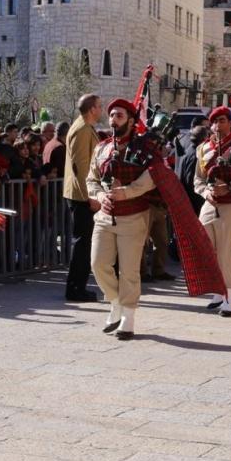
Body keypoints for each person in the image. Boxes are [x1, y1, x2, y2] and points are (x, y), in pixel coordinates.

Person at [88, 99, 157, 340]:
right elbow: (91, 179)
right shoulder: (102, 148)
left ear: (130, 119)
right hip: (105, 215)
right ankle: (115, 301)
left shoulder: (145, 147)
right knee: (98, 263)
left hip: (133, 215)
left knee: (129, 270)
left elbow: (151, 178)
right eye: (111, 115)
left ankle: (128, 316)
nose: (113, 120)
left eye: (119, 115)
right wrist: (99, 194)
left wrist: (126, 192)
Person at [194, 107, 231, 315]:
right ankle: (217, 290)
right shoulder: (203, 148)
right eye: (214, 121)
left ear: (230, 123)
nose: (217, 125)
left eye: (222, 120)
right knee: (207, 250)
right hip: (210, 203)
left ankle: (229, 296)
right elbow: (197, 178)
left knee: (226, 252)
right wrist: (204, 191)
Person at [63, 93, 102, 302]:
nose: (101, 110)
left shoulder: (82, 127)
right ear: (92, 109)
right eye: (99, 106)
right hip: (81, 196)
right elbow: (81, 166)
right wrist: (90, 196)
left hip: (79, 194)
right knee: (82, 244)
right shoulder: (82, 129)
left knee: (84, 243)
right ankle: (76, 288)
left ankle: (78, 286)